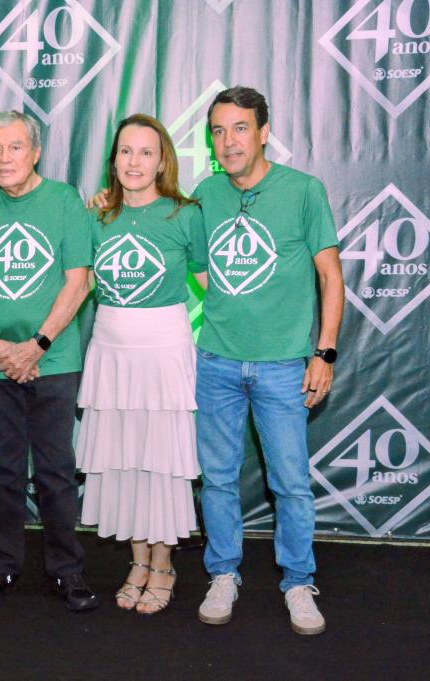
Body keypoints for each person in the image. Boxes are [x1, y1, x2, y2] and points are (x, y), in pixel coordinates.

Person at [193, 86, 344, 635]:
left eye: (239, 128)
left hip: (284, 365)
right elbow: (162, 230)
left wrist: (323, 351)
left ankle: (299, 582)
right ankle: (223, 573)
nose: (228, 141)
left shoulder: (304, 190)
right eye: (217, 130)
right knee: (218, 479)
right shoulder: (205, 194)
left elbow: (330, 276)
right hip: (216, 362)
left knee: (290, 483)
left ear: (262, 132)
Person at [0, 110, 98, 611]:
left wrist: (36, 347)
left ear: (34, 153)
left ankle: (67, 572)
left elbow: (80, 280)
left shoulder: (64, 201)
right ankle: (1, 567)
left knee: (55, 471)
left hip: (53, 360)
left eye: (13, 148)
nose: (3, 159)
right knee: (2, 471)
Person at [75, 114, 207, 615]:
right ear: (114, 160)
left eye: (145, 152)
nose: (134, 161)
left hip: (165, 353)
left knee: (162, 463)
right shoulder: (96, 217)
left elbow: (210, 284)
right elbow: (79, 283)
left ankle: (164, 563)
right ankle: (136, 561)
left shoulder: (184, 214)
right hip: (111, 353)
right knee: (125, 460)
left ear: (162, 161)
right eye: (125, 151)